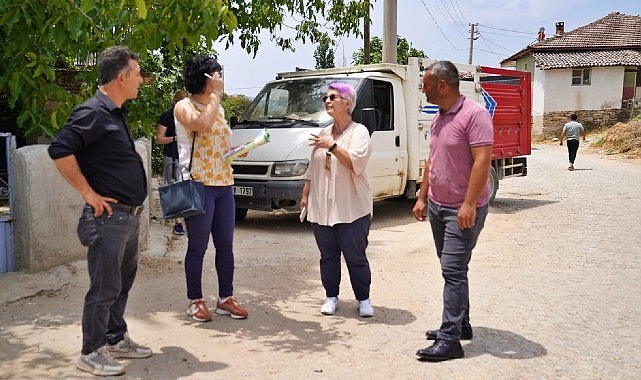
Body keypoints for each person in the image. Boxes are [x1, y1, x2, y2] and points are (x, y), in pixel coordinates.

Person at [47, 45, 152, 376]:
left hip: (127, 217)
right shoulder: (92, 112)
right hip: (108, 218)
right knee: (104, 287)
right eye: (137, 75)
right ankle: (91, 351)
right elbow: (59, 149)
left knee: (120, 283)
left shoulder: (114, 113)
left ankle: (115, 337)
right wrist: (88, 193)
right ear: (121, 77)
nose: (140, 81)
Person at [411, 61, 493, 362]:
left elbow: (483, 160)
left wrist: (469, 203)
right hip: (437, 207)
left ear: (442, 85)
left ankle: (450, 340)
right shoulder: (440, 117)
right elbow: (431, 161)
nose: (423, 88)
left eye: (426, 84)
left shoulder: (474, 115)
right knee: (454, 269)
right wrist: (422, 197)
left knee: (452, 270)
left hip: (462, 209)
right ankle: (462, 325)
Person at [173, 54, 248, 322]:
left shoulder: (220, 109)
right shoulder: (184, 106)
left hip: (224, 183)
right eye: (216, 74)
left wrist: (238, 151)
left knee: (226, 245)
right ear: (204, 79)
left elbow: (220, 146)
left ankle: (225, 298)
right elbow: (201, 125)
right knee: (197, 247)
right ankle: (195, 300)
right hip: (198, 184)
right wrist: (215, 97)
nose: (221, 79)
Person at [301, 82, 374, 318]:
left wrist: (332, 146)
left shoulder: (359, 132)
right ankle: (331, 297)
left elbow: (356, 162)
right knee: (328, 256)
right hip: (322, 207)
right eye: (325, 98)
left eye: (333, 97)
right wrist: (305, 195)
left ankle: (363, 299)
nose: (327, 101)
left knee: (356, 256)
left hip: (351, 207)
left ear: (348, 103)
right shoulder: (323, 133)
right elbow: (313, 168)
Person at [156, 89, 189, 235]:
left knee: (184, 188)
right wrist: (176, 138)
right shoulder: (166, 116)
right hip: (170, 156)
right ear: (175, 102)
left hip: (184, 156)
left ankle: (184, 219)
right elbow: (159, 139)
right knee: (172, 189)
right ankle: (178, 222)